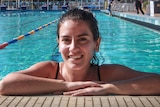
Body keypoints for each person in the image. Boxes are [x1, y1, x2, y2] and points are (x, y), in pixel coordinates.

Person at [0, 8, 160, 96]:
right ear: (58, 43)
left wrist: (110, 88)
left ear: (97, 44)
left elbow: (156, 82)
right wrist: (67, 85)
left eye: (83, 39)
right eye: (66, 40)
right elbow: (6, 85)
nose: (73, 48)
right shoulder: (50, 70)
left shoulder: (106, 74)